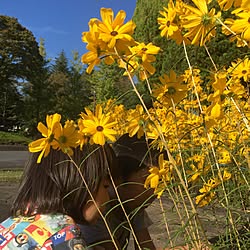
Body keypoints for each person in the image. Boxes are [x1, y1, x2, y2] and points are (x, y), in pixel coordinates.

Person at [0, 143, 117, 249]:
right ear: (79, 182)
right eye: (105, 186)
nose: (108, 197)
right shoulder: (66, 236)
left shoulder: (8, 227)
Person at [80, 134, 161, 250]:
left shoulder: (134, 206)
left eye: (161, 181)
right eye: (149, 181)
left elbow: (145, 246)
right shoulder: (96, 211)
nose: (157, 190)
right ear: (119, 178)